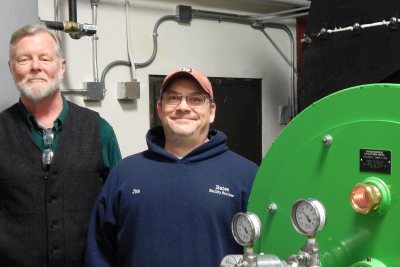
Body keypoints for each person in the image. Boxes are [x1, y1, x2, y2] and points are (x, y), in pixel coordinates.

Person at [85, 67, 258, 266]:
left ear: (211, 112)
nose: (183, 107)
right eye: (173, 98)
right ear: (159, 108)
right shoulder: (125, 174)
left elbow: (263, 252)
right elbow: (99, 254)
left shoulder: (245, 176)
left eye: (196, 99)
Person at [0, 24, 122, 266]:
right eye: (24, 59)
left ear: (61, 67)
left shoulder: (100, 131)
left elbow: (119, 210)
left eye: (45, 58)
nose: (35, 67)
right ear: (11, 68)